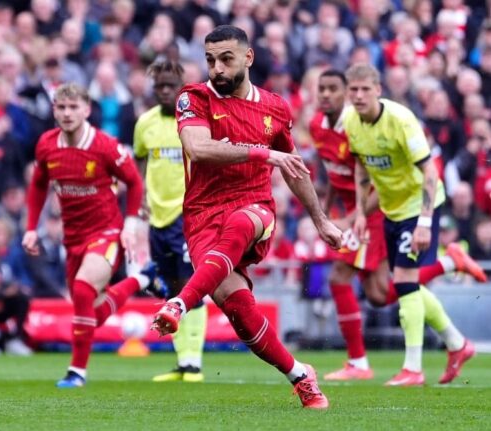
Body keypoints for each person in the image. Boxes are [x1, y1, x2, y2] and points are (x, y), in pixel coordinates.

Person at [150, 25, 342, 409]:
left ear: (248, 57)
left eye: (226, 59)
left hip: (254, 207)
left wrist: (321, 220)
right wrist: (262, 153)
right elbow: (198, 148)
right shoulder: (194, 97)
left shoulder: (275, 107)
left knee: (241, 223)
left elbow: (293, 167)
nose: (217, 69)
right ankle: (300, 375)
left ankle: (179, 304)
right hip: (202, 215)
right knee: (239, 311)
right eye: (210, 60)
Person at [310, 70, 487, 381]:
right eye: (355, 90)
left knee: (395, 281)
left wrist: (425, 221)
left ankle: (408, 368)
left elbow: (430, 172)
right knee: (388, 292)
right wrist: (358, 213)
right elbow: (360, 168)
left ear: (378, 89)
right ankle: (456, 341)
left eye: (365, 89)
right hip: (388, 208)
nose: (359, 95)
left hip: (416, 205)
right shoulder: (350, 124)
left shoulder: (401, 121)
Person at [22, 83, 166, 388]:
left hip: (106, 232)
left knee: (83, 290)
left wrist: (130, 224)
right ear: (54, 111)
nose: (67, 113)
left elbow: (134, 182)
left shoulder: (105, 146)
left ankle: (77, 372)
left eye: (73, 107)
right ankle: (142, 280)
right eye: (61, 107)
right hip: (72, 237)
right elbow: (38, 184)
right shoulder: (46, 144)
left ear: (86, 110)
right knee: (90, 313)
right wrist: (31, 228)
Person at [134, 60, 206, 383]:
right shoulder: (145, 123)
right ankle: (182, 361)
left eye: (170, 86)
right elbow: (138, 162)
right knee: (169, 287)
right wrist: (140, 197)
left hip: (187, 214)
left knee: (191, 285)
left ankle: (194, 363)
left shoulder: (193, 121)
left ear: (181, 88)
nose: (164, 91)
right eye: (159, 86)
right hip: (157, 217)